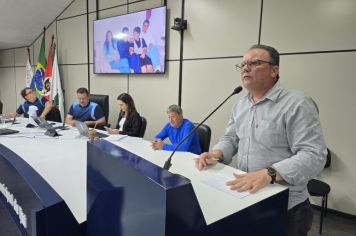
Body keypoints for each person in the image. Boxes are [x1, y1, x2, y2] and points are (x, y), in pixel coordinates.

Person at [195, 44, 327, 236]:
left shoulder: (297, 103)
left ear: (274, 70)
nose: (246, 68)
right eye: (242, 64)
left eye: (254, 63)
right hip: (246, 197)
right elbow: (231, 138)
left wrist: (269, 174)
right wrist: (217, 153)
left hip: (286, 208)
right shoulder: (240, 104)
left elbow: (314, 155)